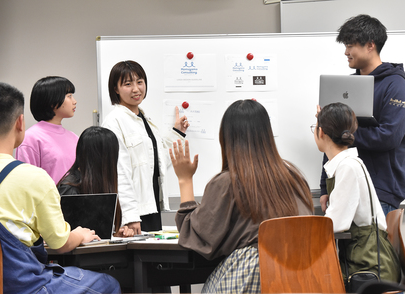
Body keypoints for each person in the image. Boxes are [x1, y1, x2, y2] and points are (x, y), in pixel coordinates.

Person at [0, 82, 120, 294]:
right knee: (108, 284)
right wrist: (80, 234)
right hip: (21, 287)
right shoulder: (33, 177)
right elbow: (60, 243)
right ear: (21, 122)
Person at [170, 100, 314, 293]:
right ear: (267, 135)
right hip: (303, 276)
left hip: (252, 277)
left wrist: (185, 179)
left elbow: (198, 238)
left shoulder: (227, 183)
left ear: (226, 138)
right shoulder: (295, 178)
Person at [319, 14, 405, 216]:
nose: (346, 52)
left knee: (373, 248)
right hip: (342, 187)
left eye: (350, 46)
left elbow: (389, 137)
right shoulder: (346, 86)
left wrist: (343, 134)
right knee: (349, 248)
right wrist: (324, 187)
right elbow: (331, 139)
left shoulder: (396, 85)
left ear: (370, 45)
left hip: (380, 191)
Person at [313, 102, 400, 286]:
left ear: (321, 132)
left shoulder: (347, 167)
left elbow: (335, 223)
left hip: (370, 270)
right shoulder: (346, 164)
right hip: (362, 265)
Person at [102, 60, 189, 234]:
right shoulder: (114, 122)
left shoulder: (143, 119)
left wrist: (177, 132)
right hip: (135, 213)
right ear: (115, 89)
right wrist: (130, 216)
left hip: (151, 207)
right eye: (128, 84)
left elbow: (158, 161)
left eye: (140, 82)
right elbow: (120, 173)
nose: (136, 89)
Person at [58, 126, 134, 237]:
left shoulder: (98, 183)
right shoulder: (70, 189)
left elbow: (96, 233)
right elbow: (68, 239)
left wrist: (115, 235)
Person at [16, 76, 79, 184]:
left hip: (73, 200)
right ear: (52, 101)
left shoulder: (74, 137)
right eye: (69, 96)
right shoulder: (30, 138)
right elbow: (25, 183)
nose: (74, 101)